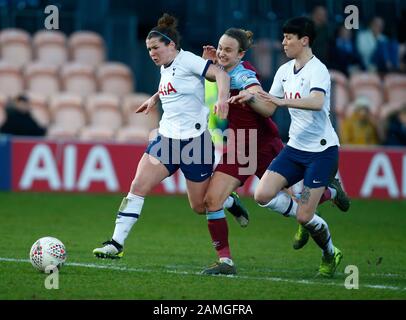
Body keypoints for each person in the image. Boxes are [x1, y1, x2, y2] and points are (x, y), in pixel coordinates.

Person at [201, 28, 349, 276]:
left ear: (241, 54)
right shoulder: (221, 69)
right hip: (239, 147)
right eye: (220, 48)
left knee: (300, 198)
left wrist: (250, 97)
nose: (222, 53)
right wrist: (213, 63)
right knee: (211, 201)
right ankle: (225, 262)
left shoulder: (245, 74)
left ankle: (330, 192)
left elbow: (261, 98)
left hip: (263, 144)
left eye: (228, 50)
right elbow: (217, 76)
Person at [93, 13, 241, 259]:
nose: (151, 52)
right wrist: (154, 97)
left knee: (199, 206)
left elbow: (222, 75)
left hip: (195, 142)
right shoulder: (166, 66)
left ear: (171, 45)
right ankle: (116, 244)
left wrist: (223, 100)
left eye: (155, 48)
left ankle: (230, 202)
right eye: (148, 48)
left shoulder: (189, 61)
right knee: (138, 186)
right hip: (166, 140)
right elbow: (174, 87)